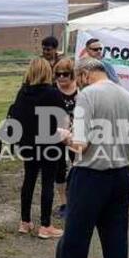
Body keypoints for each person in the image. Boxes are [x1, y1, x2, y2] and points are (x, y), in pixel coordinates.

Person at [45, 58, 129, 258]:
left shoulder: (88, 96)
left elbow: (81, 145)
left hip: (91, 175)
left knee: (75, 239)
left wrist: (65, 137)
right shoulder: (127, 95)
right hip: (121, 173)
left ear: (85, 74)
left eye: (78, 77)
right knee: (116, 240)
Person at [11, 58, 68, 239]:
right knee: (47, 183)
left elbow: (16, 116)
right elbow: (62, 119)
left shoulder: (22, 92)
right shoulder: (53, 93)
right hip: (49, 144)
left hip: (28, 143)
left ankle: (25, 221)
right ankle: (45, 226)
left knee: (29, 180)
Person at [52, 58, 78, 219]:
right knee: (59, 168)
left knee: (77, 167)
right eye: (58, 74)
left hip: (77, 133)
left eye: (65, 74)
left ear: (72, 74)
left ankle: (75, 199)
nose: (61, 77)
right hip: (57, 135)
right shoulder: (52, 90)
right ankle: (64, 202)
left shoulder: (80, 89)